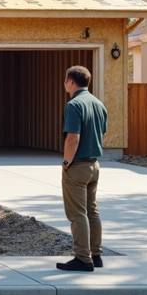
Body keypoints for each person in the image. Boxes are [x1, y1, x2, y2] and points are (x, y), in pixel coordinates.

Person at [56, 65, 108, 272]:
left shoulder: (74, 105)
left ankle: (82, 258)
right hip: (94, 164)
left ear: (70, 81)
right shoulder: (98, 104)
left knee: (77, 213)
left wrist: (66, 163)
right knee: (92, 211)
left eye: (65, 80)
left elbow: (72, 138)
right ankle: (96, 255)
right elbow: (102, 133)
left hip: (77, 165)